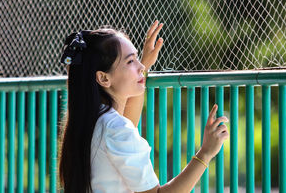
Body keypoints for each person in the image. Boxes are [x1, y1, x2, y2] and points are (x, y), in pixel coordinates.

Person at [58, 21, 229, 193]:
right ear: (103, 78)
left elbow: (127, 127)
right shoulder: (115, 128)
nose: (140, 66)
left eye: (137, 58)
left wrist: (144, 68)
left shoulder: (92, 121)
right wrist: (205, 153)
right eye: (130, 61)